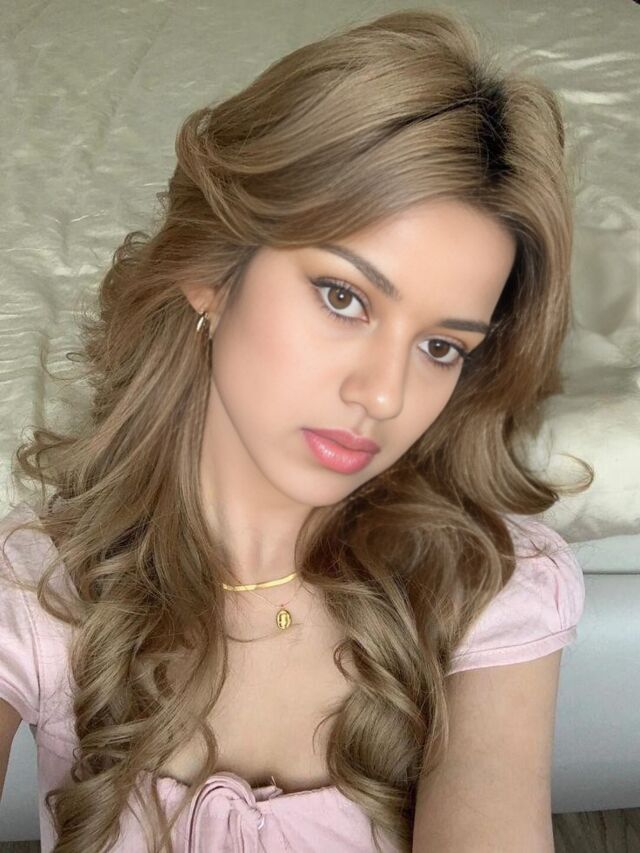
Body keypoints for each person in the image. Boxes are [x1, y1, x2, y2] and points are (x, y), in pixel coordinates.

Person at [0, 8, 592, 853]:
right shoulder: (39, 588)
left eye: (440, 346)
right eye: (343, 297)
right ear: (212, 268)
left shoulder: (487, 586)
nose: (382, 394)